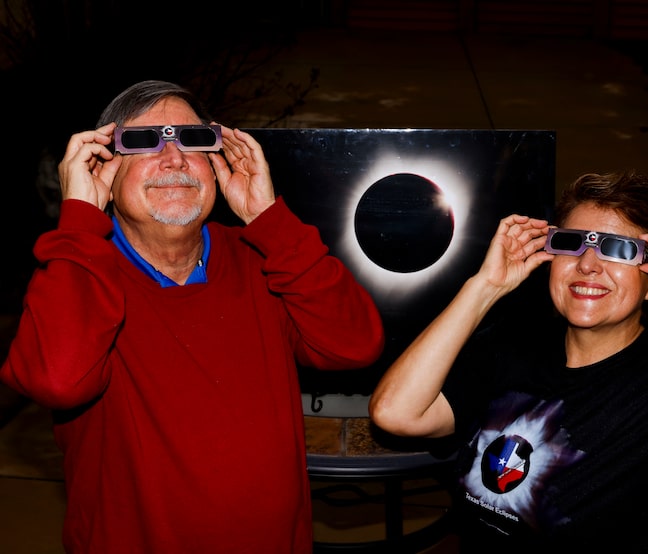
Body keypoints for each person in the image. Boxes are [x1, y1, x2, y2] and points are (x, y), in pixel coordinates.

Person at [0, 80, 385, 553]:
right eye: (142, 142)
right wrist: (79, 220)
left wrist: (268, 218)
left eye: (192, 139)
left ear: (217, 163)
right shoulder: (78, 274)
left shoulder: (265, 258)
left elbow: (353, 345)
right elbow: (57, 380)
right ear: (103, 170)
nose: (174, 158)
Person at [369, 170, 648, 552]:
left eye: (618, 249)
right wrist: (484, 288)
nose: (588, 265)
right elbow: (396, 413)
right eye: (571, 244)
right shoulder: (505, 353)